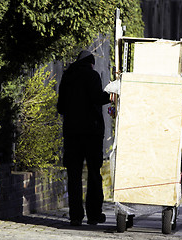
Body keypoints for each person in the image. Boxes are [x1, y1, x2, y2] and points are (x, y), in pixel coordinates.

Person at [57, 50, 111, 226]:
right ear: (91, 63)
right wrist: (110, 95)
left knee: (74, 174)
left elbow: (60, 107)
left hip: (72, 133)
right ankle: (94, 215)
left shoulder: (67, 76)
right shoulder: (92, 75)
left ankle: (75, 216)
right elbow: (97, 97)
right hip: (92, 133)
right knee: (94, 174)